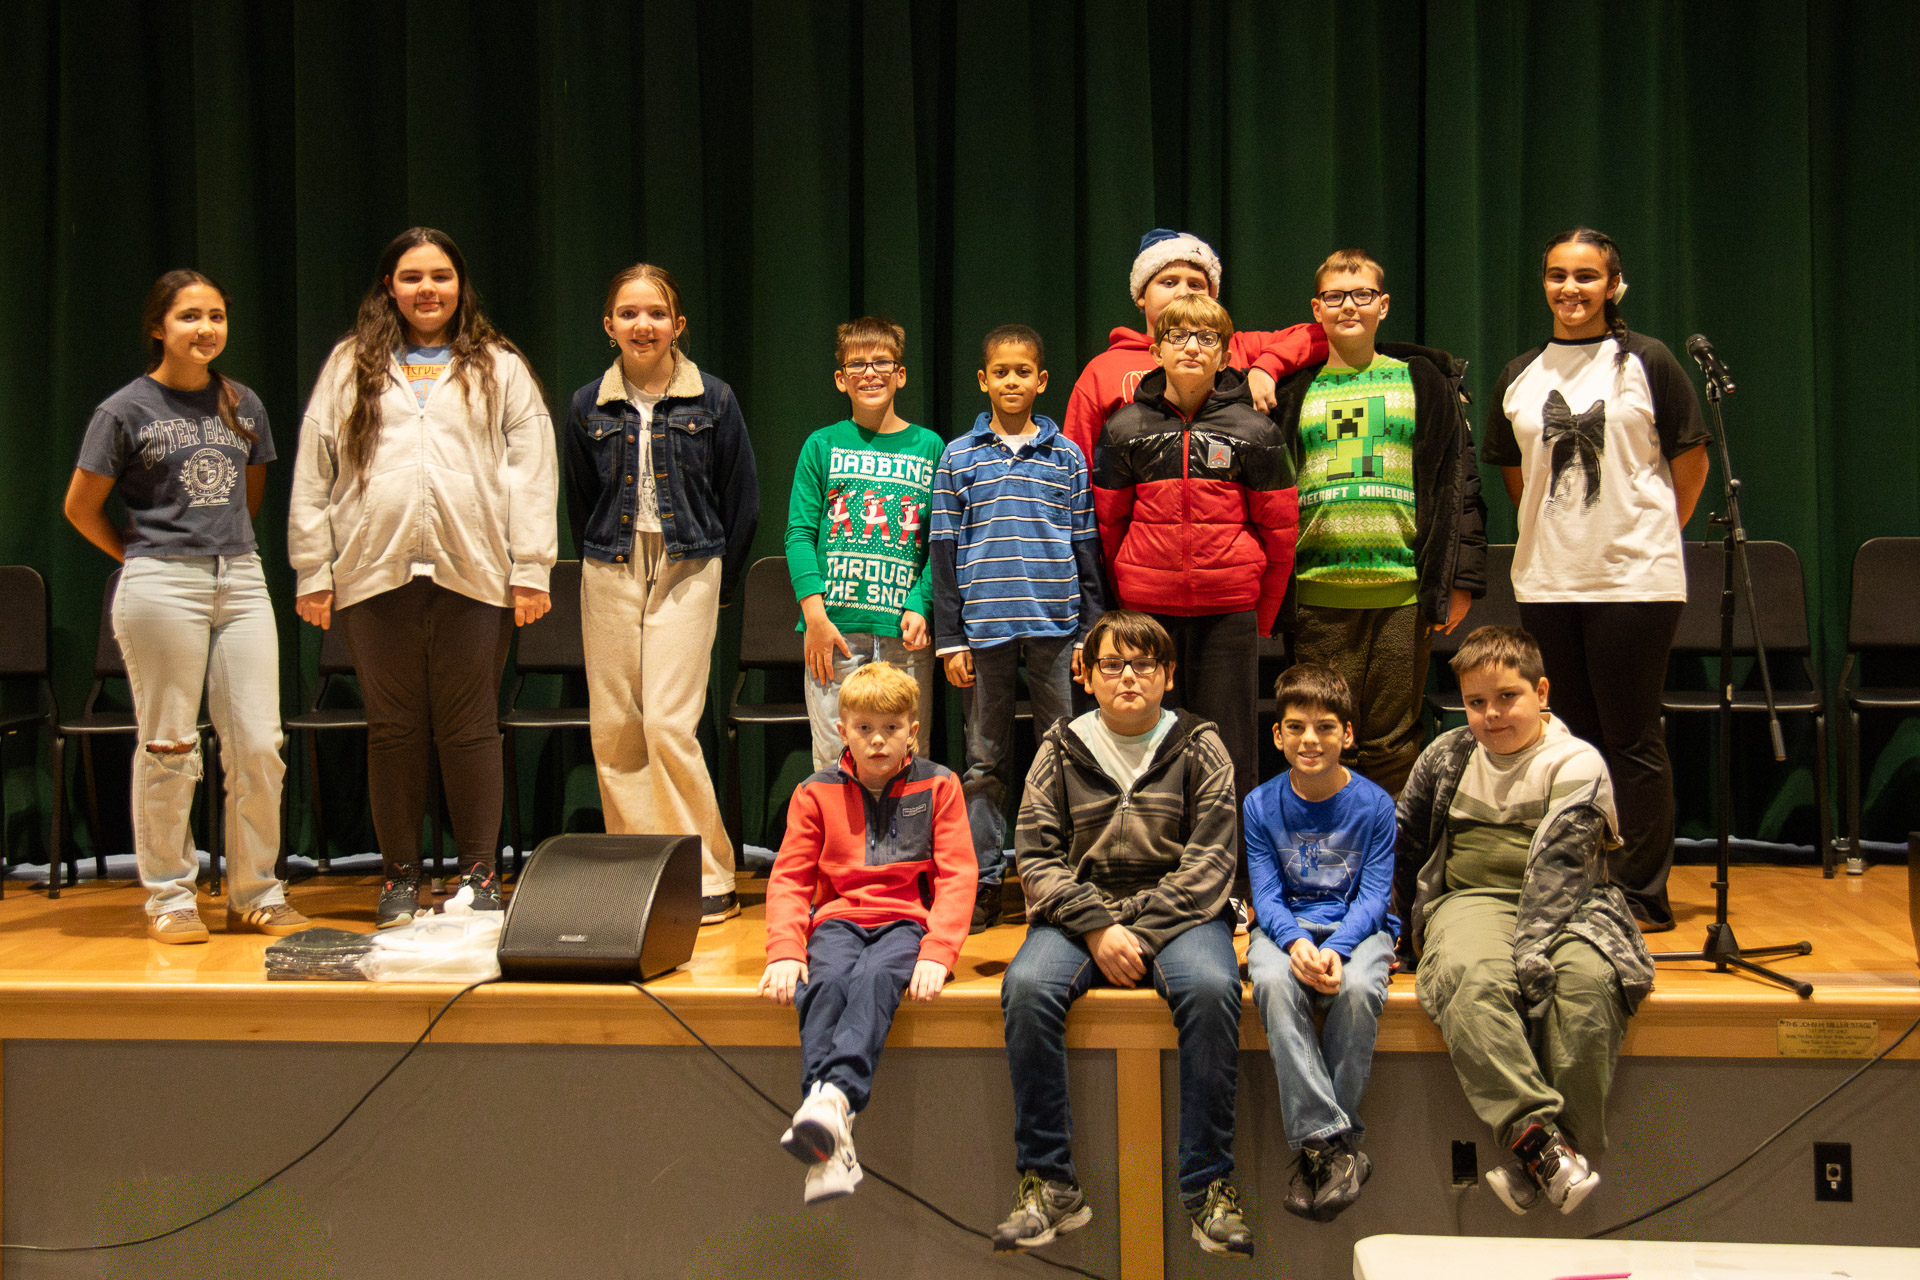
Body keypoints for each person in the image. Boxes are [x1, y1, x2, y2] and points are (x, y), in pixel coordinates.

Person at [288, 227, 558, 927]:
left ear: (461, 286)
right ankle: (398, 877)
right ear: (390, 287)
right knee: (394, 730)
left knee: (469, 728)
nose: (427, 289)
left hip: (475, 574)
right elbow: (315, 471)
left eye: (441, 275)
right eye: (412, 277)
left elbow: (532, 472)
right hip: (375, 575)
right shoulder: (351, 365)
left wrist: (530, 568)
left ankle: (478, 875)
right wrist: (313, 570)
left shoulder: (498, 367)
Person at [994, 610, 1252, 1259]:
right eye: (1114, 664)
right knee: (1025, 987)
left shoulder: (1201, 744)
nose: (1128, 677)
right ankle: (1050, 1184)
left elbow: (1213, 860)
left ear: (1168, 674)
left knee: (1214, 986)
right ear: (1087, 673)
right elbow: (1036, 854)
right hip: (1084, 913)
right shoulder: (1059, 745)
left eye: (1144, 665)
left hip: (1180, 916)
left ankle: (1207, 1187)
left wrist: (1137, 932)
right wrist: (1097, 925)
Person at [63, 270, 307, 944]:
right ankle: (170, 896)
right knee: (170, 744)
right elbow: (80, 508)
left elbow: (247, 495)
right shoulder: (126, 410)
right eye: (189, 317)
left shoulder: (243, 403)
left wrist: (218, 552)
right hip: (160, 584)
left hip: (241, 581)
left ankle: (256, 891)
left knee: (259, 743)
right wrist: (139, 558)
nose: (206, 329)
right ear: (158, 327)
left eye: (217, 316)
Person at [1482, 228, 1709, 932]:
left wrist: (1646, 537)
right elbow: (1518, 477)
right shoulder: (1522, 372)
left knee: (1631, 735)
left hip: (1634, 580)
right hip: (1548, 580)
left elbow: (1690, 460)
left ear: (1614, 285)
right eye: (1556, 275)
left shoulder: (1648, 362)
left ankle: (1641, 894)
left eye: (1586, 276)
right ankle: (1577, 880)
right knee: (1569, 737)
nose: (1570, 290)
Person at [1397, 625, 1653, 1215]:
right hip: (1471, 898)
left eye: (1506, 696)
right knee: (1472, 976)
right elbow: (1405, 843)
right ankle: (1540, 1139)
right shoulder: (1447, 754)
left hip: (1572, 905)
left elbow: (1561, 870)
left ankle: (1538, 1158)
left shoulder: (1575, 761)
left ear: (1541, 690)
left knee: (1587, 987)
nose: (1491, 714)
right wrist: (1393, 928)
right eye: (1475, 702)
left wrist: (1532, 954)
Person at [565, 263, 758, 926]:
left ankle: (707, 871)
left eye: (655, 314)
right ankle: (641, 870)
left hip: (690, 565)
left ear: (678, 324)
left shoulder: (714, 399)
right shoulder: (588, 403)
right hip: (611, 566)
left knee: (670, 724)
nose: (641, 325)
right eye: (628, 313)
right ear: (609, 325)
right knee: (617, 726)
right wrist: (602, 561)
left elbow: (742, 500)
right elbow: (582, 500)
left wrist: (720, 583)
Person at [1269, 249, 1487, 797]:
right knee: (1320, 736)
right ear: (1316, 309)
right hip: (1317, 597)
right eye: (1336, 296)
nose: (1350, 306)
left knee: (1393, 742)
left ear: (1383, 305)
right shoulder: (1292, 392)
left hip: (1401, 594)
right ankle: (1323, 860)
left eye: (1362, 295)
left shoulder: (1425, 383)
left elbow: (1458, 485)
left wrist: (1459, 581)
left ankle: (1387, 873)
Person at [758, 661, 974, 1204]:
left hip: (905, 921)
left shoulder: (940, 784)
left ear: (913, 730)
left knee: (878, 980)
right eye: (864, 729)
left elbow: (958, 875)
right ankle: (832, 1124)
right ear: (842, 729)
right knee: (823, 982)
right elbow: (789, 878)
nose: (878, 741)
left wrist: (939, 951)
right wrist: (785, 949)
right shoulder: (814, 791)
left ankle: (828, 1109)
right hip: (837, 920)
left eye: (892, 729)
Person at [1091, 293, 1298, 809]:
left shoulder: (1256, 431)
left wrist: (1262, 614)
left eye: (1207, 338)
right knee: (1148, 747)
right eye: (1178, 336)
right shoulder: (1124, 429)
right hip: (1148, 615)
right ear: (1156, 350)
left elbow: (1280, 532)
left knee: (1228, 751)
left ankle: (1229, 879)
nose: (1192, 347)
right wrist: (1126, 603)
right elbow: (1108, 527)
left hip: (1227, 613)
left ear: (1226, 356)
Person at [930, 324, 1104, 933]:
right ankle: (982, 885)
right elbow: (945, 554)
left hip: (1057, 630)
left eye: (1022, 372)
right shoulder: (957, 456)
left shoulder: (1067, 457)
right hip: (984, 633)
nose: (1011, 381)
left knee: (1066, 754)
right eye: (1000, 372)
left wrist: (1090, 632)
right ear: (983, 380)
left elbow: (1086, 548)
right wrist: (949, 637)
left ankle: (1059, 883)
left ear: (1041, 380)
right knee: (983, 763)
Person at [1244, 663, 1397, 1222]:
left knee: (1358, 989)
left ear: (1347, 735)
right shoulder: (1259, 805)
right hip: (1286, 930)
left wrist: (1341, 947)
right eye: (1297, 727)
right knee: (1270, 982)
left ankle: (1318, 1148)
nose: (1311, 739)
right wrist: (1292, 943)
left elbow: (1375, 894)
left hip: (1359, 930)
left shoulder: (1377, 806)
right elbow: (1265, 892)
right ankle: (1335, 1149)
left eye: (1326, 726)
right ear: (1278, 734)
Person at [784, 318, 942, 775]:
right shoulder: (822, 445)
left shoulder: (929, 447)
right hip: (834, 632)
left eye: (881, 363)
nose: (870, 373)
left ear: (901, 374)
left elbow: (941, 543)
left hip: (904, 633)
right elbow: (798, 535)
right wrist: (814, 615)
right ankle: (841, 848)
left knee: (907, 757)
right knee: (836, 759)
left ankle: (905, 847)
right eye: (857, 365)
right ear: (841, 379)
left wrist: (921, 602)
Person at [1062, 227, 1326, 465]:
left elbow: (1323, 333)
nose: (1182, 292)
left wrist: (1267, 368)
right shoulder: (1103, 371)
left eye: (1196, 285)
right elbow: (1077, 468)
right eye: (1168, 282)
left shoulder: (1235, 348)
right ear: (1141, 295)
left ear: (1211, 298)